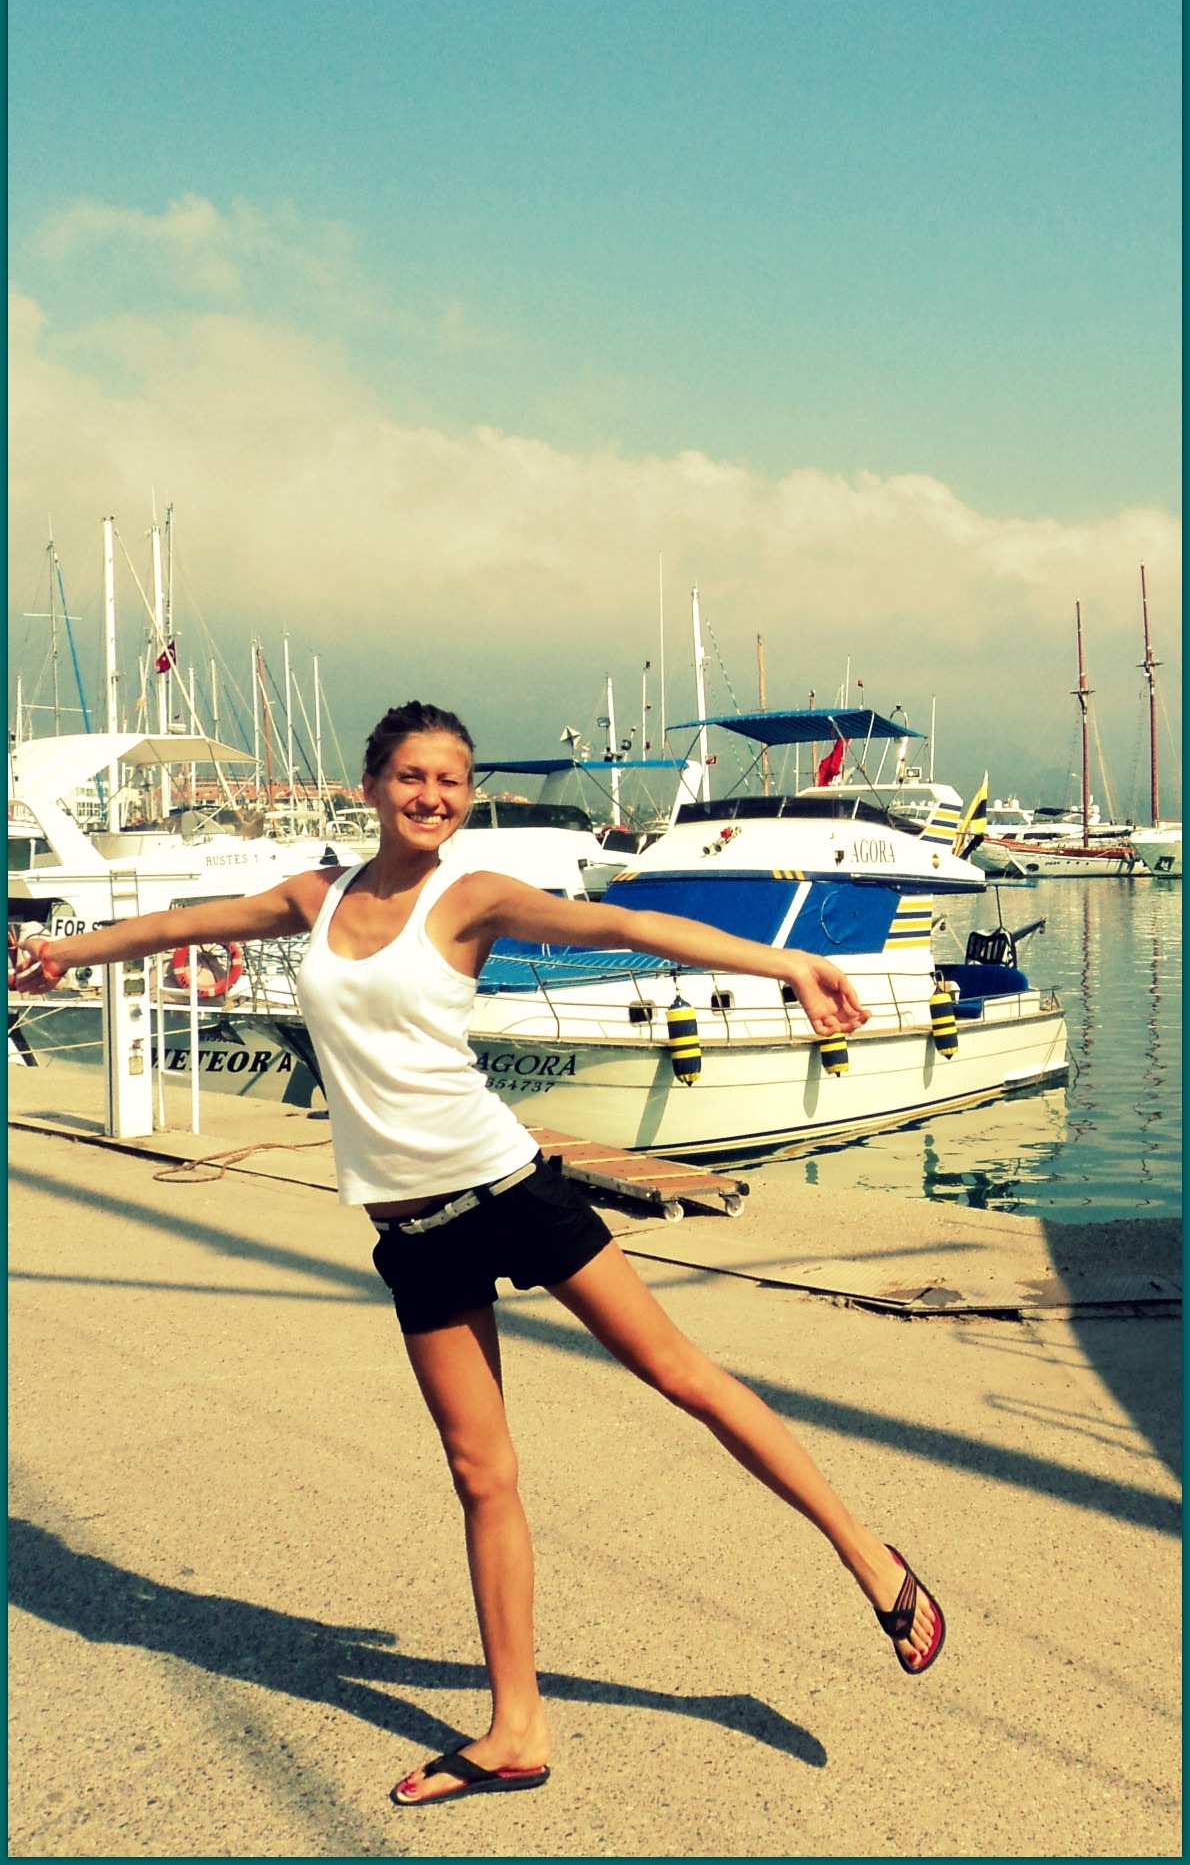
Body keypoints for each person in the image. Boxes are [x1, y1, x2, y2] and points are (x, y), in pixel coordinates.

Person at [11, 699, 945, 1806]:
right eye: (411, 776)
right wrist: (60, 951)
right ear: (371, 786)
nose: (432, 796)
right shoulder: (315, 897)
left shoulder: (472, 898)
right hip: (410, 1232)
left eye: (450, 780)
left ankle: (867, 1555)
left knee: (681, 1375)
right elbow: (182, 926)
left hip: (508, 1190)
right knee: (480, 1474)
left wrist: (785, 967)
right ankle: (515, 1730)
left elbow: (630, 927)